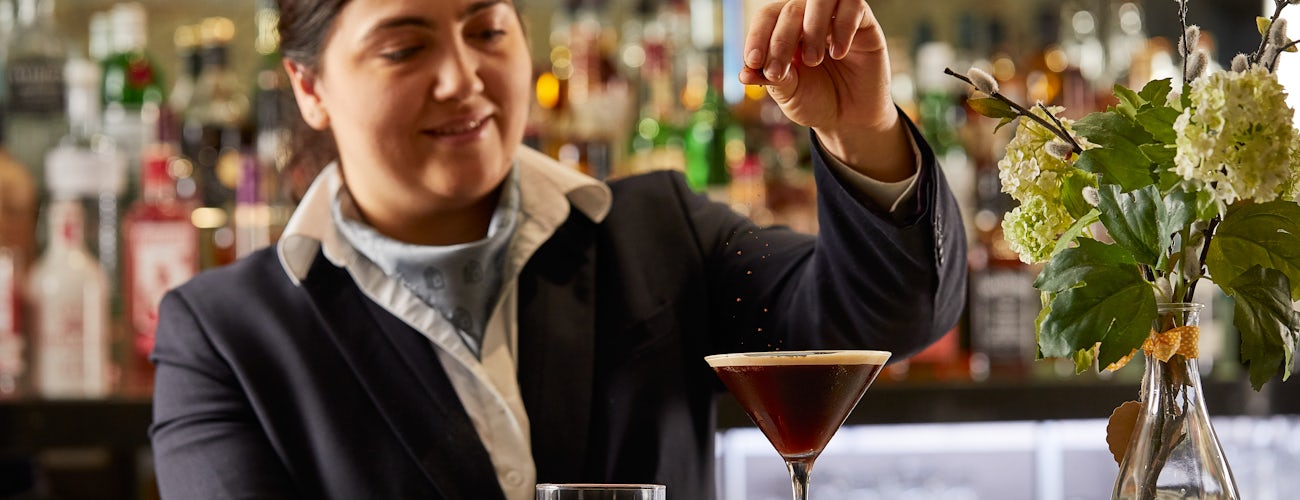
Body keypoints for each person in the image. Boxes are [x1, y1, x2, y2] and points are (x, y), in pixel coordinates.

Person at [148, 0, 966, 498]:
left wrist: (859, 129)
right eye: (405, 47)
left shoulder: (656, 232)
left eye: (487, 29)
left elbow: (883, 320)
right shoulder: (226, 338)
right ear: (309, 86)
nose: (462, 78)